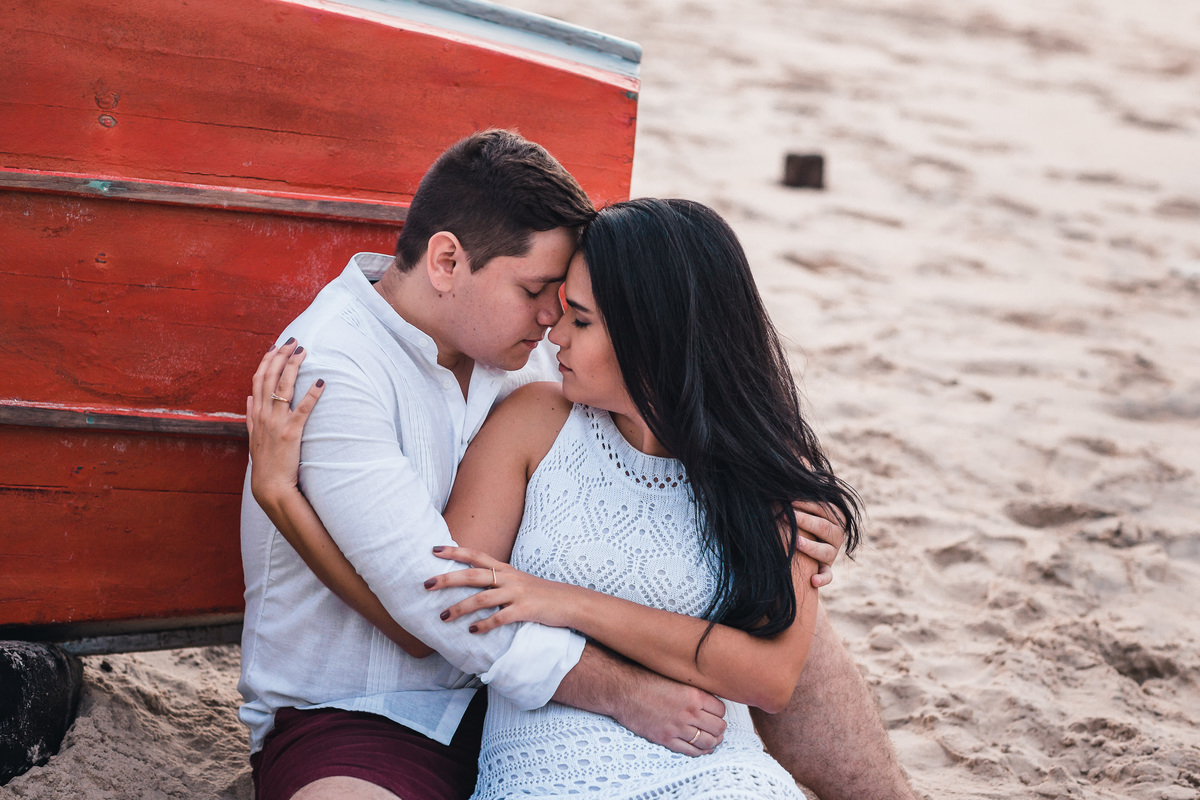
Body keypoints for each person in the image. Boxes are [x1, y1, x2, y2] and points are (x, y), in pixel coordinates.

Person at [242, 130, 913, 800]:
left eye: (568, 307)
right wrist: (283, 502)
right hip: (379, 712)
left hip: (556, 696)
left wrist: (790, 508)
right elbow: (441, 610)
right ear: (445, 263)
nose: (552, 321)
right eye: (539, 291)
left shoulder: (529, 344)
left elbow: (672, 366)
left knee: (787, 610)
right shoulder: (332, 373)